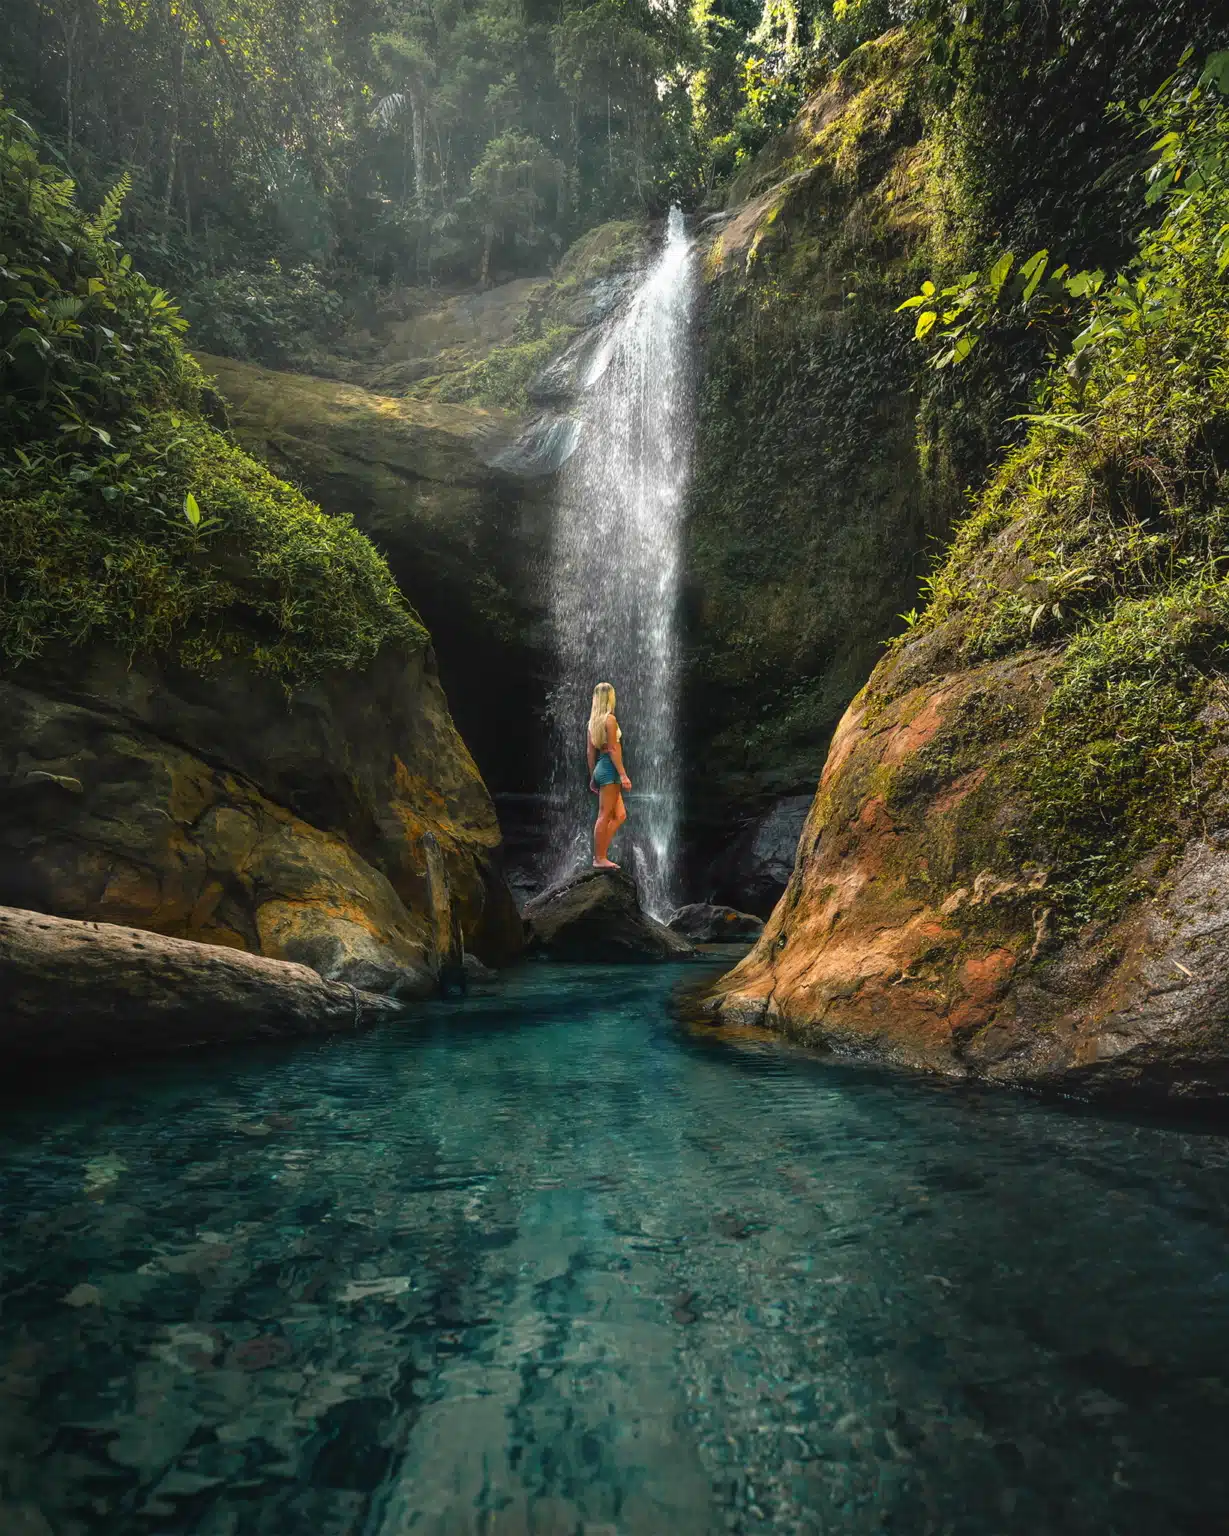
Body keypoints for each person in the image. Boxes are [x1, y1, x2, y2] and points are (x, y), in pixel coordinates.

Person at [587, 681, 631, 869]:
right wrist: (623, 775)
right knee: (604, 815)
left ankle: (601, 850)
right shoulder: (610, 719)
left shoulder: (592, 722)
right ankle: (599, 858)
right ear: (609, 697)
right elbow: (613, 749)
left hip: (600, 768)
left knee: (620, 815)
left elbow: (590, 753)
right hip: (610, 769)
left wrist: (592, 776)